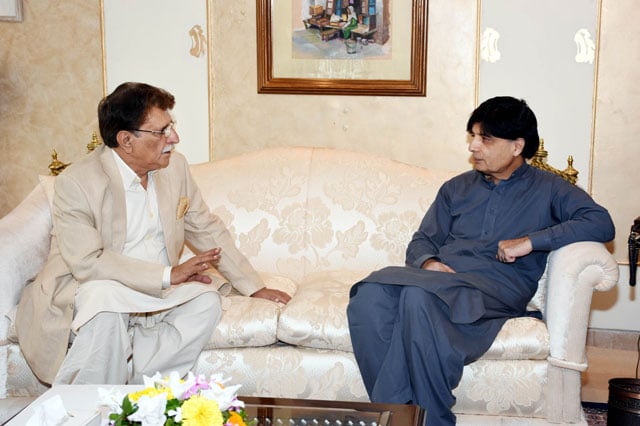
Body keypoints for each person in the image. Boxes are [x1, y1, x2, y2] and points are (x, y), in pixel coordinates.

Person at [346, 96, 615, 425]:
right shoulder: (456, 188)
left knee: (418, 297)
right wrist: (429, 262)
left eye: (485, 138)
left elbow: (601, 222)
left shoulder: (550, 189)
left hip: (497, 286)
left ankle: (433, 419)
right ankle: (400, 412)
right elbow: (422, 240)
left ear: (517, 146)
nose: (474, 146)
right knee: (369, 295)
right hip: (443, 281)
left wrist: (532, 241)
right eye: (472, 136)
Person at [16, 82, 291, 386]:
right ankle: (88, 408)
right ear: (126, 140)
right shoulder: (78, 182)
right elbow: (87, 263)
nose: (174, 138)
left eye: (170, 126)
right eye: (161, 132)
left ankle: (139, 395)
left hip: (157, 291)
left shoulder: (175, 168)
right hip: (96, 286)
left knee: (206, 302)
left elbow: (205, 227)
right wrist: (167, 274)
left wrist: (253, 287)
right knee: (106, 306)